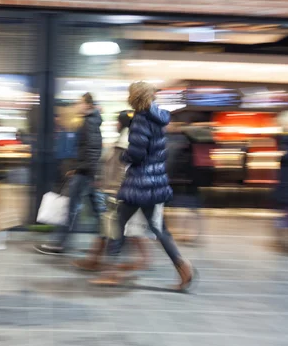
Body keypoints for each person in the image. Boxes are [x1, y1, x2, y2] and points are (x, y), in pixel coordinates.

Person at [93, 82, 195, 290]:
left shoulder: (140, 119)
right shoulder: (158, 118)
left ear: (135, 97)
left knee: (118, 223)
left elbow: (137, 153)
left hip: (139, 183)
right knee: (159, 229)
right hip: (156, 182)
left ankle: (110, 273)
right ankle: (183, 267)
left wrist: (124, 155)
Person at [72, 110, 150, 272]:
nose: (115, 124)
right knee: (117, 229)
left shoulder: (125, 142)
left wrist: (117, 189)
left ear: (122, 123)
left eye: (117, 121)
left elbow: (123, 170)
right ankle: (97, 260)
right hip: (120, 192)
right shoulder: (125, 140)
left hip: (121, 193)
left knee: (114, 229)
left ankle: (105, 266)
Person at [35, 93, 103, 255]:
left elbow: (92, 150)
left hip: (85, 172)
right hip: (85, 170)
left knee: (71, 208)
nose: (77, 106)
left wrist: (86, 171)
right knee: (96, 209)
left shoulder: (90, 123)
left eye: (79, 103)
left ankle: (59, 243)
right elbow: (87, 150)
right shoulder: (89, 121)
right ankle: (114, 238)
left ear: (88, 105)